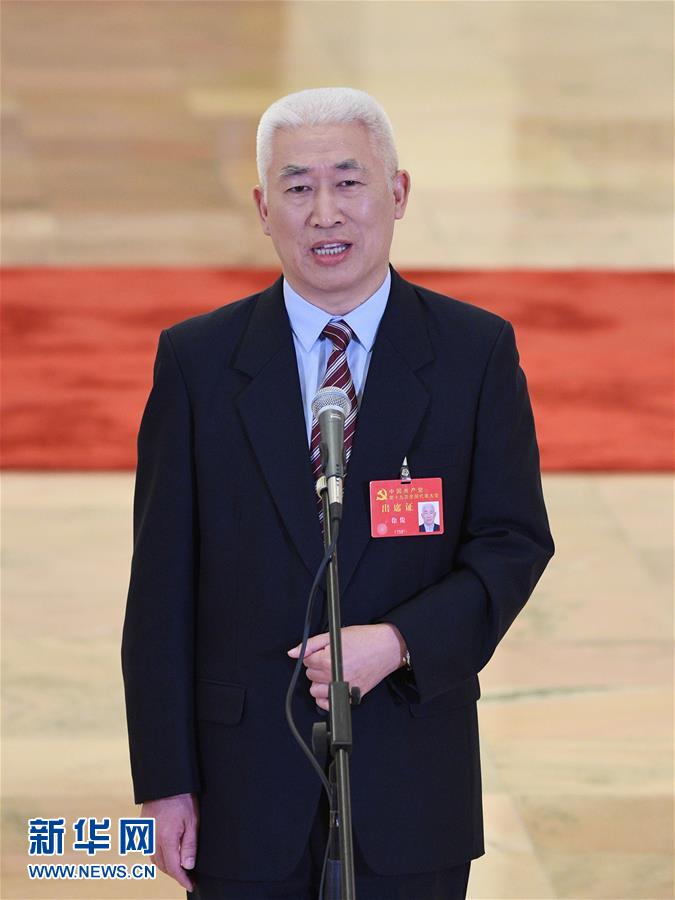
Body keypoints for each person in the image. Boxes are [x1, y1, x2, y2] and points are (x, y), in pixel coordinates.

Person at [121, 87, 554, 900]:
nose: (325, 212)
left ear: (397, 192)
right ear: (263, 209)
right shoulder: (197, 363)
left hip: (411, 776)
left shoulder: (473, 353)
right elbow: (160, 590)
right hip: (241, 786)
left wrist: (400, 641)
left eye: (349, 182)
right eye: (297, 187)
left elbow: (511, 543)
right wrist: (165, 780)